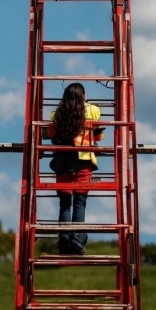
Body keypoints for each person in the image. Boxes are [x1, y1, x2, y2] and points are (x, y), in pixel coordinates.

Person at [46, 82, 104, 255]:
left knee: (64, 204)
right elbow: (98, 136)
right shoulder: (93, 110)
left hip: (62, 163)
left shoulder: (57, 113)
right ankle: (77, 240)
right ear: (83, 95)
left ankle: (64, 240)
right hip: (83, 161)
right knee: (80, 201)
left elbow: (51, 135)